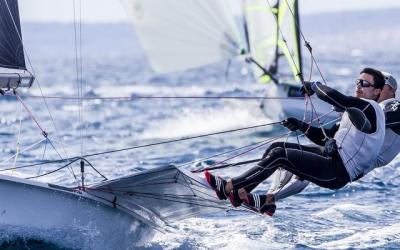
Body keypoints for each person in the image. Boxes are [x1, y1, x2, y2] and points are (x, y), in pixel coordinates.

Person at [205, 67, 386, 215]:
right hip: (332, 160)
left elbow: (337, 97)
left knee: (280, 156)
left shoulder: (371, 108)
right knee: (277, 147)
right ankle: (241, 193)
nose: (358, 86)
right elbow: (325, 139)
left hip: (338, 170)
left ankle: (228, 186)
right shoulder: (355, 112)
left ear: (377, 91)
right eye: (357, 82)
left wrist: (315, 86)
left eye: (364, 84)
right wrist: (300, 125)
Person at [256, 71, 400, 216]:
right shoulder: (366, 110)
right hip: (348, 153)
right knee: (294, 156)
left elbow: (380, 121)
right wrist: (302, 125)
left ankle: (268, 198)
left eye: (384, 84)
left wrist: (348, 108)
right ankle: (269, 198)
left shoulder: (393, 105)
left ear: (391, 91)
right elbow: (325, 137)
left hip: (355, 162)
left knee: (299, 168)